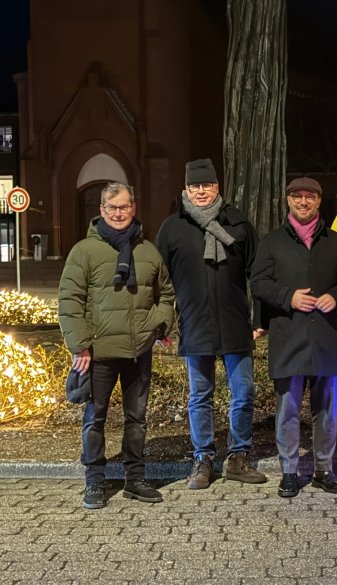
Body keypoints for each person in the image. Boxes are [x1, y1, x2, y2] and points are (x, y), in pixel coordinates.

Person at [59, 182, 175, 509]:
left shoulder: (148, 251)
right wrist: (80, 344)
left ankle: (135, 479)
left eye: (124, 207)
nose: (119, 213)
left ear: (133, 208)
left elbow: (166, 294)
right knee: (94, 417)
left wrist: (159, 323)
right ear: (101, 211)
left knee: (136, 419)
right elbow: (70, 301)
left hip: (139, 352)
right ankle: (95, 480)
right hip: (98, 354)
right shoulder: (84, 251)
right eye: (112, 208)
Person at [156, 158, 267, 490]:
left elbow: (259, 275)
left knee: (244, 392)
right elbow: (160, 282)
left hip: (235, 323)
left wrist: (259, 318)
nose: (200, 191)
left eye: (206, 185)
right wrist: (164, 325)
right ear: (186, 189)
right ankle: (202, 459)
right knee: (200, 395)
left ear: (218, 187)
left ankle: (237, 457)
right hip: (194, 323)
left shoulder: (238, 223)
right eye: (194, 186)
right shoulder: (172, 228)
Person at [252, 177, 337, 498]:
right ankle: (289, 472)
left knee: (326, 410)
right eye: (296, 196)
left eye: (309, 197)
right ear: (287, 201)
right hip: (289, 336)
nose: (302, 202)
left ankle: (324, 470)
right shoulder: (271, 242)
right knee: (287, 409)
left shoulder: (336, 241)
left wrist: (336, 297)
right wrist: (288, 297)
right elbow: (258, 282)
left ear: (319, 201)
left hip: (326, 337)